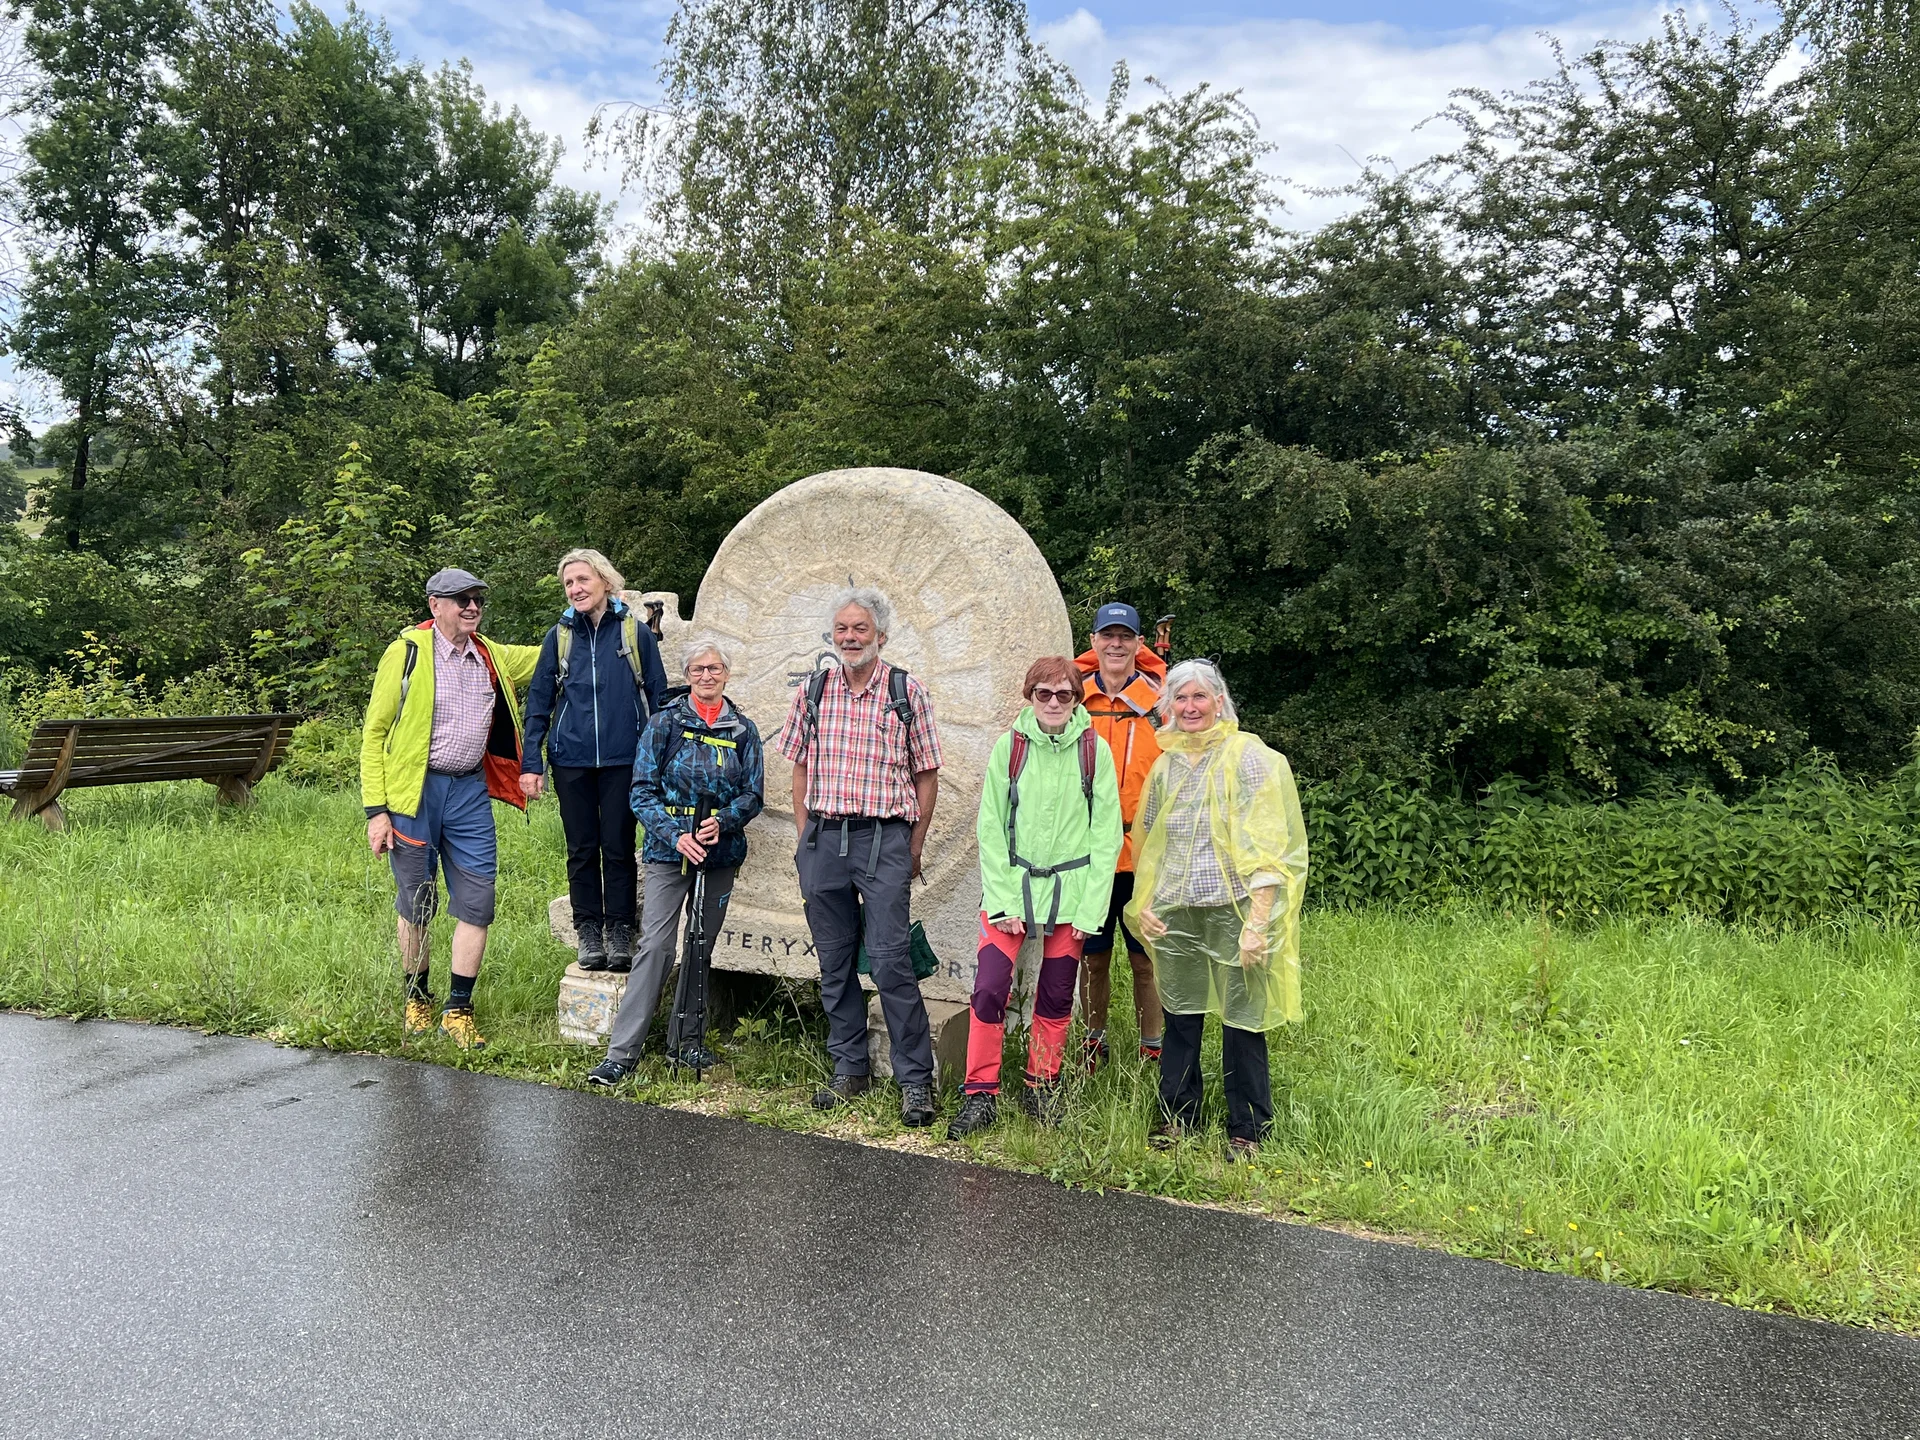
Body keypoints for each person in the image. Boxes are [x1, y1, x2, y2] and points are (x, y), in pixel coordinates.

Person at [1124, 660, 1308, 1160]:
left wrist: (1257, 922)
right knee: (1180, 1015)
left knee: (1241, 1019)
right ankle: (1177, 1116)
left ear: (1219, 702)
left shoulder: (1248, 758)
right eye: (1179, 699)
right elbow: (1152, 845)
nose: (1190, 708)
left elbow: (1270, 843)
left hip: (1237, 910)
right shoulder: (1166, 766)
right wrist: (1147, 905)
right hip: (1180, 912)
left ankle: (1246, 1127)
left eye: (1199, 697)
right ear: (1168, 708)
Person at [778, 586, 944, 1128]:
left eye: (861, 630)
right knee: (834, 962)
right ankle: (849, 1069)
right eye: (843, 630)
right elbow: (798, 763)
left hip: (884, 840)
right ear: (834, 636)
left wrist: (913, 845)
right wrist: (806, 836)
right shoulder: (814, 689)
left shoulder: (904, 690)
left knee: (892, 960)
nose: (851, 638)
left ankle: (915, 1082)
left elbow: (927, 773)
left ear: (881, 636)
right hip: (825, 839)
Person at [360, 567, 543, 1050]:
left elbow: (551, 658)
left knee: (479, 901)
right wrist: (376, 811)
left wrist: (593, 620)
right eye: (460, 599)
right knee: (417, 902)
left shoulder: (490, 655)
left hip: (468, 794)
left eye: (477, 599)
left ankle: (458, 1010)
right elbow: (375, 734)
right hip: (413, 795)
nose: (472, 607)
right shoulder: (405, 655)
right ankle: (416, 998)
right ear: (434, 605)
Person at [947, 658, 1122, 1139]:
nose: (1052, 703)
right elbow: (990, 825)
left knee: (1057, 993)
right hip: (1012, 887)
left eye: (1063, 695)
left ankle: (1042, 1085)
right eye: (1043, 694)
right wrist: (1001, 902)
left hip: (1071, 893)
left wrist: (1092, 909)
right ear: (1029, 696)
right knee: (988, 989)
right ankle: (980, 1092)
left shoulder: (1094, 751)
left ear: (1075, 699)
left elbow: (1106, 837)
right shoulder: (1011, 747)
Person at [589, 637, 763, 1086]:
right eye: (698, 670)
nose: (707, 676)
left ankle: (686, 1041)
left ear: (727, 673)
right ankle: (621, 1051)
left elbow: (754, 794)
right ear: (687, 677)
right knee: (656, 947)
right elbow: (640, 791)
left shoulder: (743, 730)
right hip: (669, 853)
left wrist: (722, 822)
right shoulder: (665, 724)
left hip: (720, 852)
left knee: (701, 943)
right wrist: (675, 834)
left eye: (715, 669)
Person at [520, 549, 669, 973]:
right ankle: (588, 930)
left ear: (605, 581)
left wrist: (658, 761)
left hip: (625, 757)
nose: (576, 589)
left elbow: (658, 699)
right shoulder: (559, 637)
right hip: (572, 758)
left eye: (583, 580)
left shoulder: (635, 635)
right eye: (569, 584)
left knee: (619, 846)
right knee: (581, 848)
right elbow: (539, 702)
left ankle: (620, 930)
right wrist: (533, 761)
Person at [1073, 602, 1168, 1069]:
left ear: (1138, 644)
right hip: (1089, 853)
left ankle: (1153, 1048)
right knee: (1092, 956)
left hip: (1145, 854)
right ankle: (1094, 1041)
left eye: (1125, 636)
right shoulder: (1071, 698)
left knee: (1145, 958)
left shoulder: (1161, 701)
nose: (1116, 644)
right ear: (1093, 641)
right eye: (1107, 635)